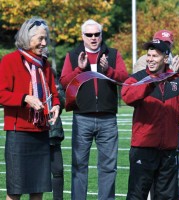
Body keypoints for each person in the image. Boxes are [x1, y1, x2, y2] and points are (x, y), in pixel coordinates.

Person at [121, 39, 179, 200]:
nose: (150, 59)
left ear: (166, 58)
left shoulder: (178, 82)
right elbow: (128, 97)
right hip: (143, 148)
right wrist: (154, 81)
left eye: (155, 56)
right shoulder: (138, 79)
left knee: (167, 197)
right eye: (148, 55)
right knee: (136, 195)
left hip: (169, 150)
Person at [59, 19, 128, 200]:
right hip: (82, 117)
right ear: (82, 36)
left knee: (108, 166)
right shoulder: (73, 55)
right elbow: (64, 82)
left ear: (101, 35)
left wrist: (109, 71)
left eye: (97, 34)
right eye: (89, 35)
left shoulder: (112, 54)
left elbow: (124, 79)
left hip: (108, 118)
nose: (93, 38)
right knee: (79, 165)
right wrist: (78, 69)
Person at [0, 17, 60, 200]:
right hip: (19, 134)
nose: (44, 43)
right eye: (40, 39)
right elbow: (1, 93)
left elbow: (53, 93)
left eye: (45, 39)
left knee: (38, 189)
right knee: (15, 191)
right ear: (27, 38)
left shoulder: (45, 65)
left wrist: (56, 105)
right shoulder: (9, 61)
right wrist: (25, 98)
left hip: (41, 133)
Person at [133, 29, 179, 200]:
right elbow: (140, 89)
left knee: (171, 174)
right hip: (149, 128)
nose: (162, 45)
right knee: (144, 181)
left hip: (172, 126)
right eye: (159, 41)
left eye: (167, 43)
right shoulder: (144, 61)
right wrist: (169, 72)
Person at [49, 68, 65, 200]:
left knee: (58, 171)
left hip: (53, 134)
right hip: (33, 133)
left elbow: (64, 102)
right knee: (35, 173)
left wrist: (57, 92)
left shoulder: (54, 76)